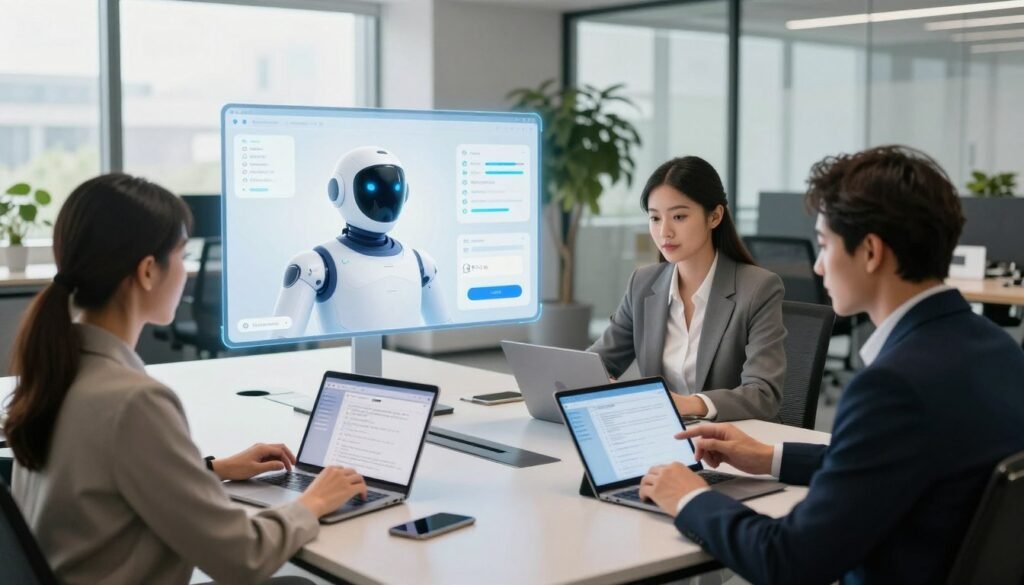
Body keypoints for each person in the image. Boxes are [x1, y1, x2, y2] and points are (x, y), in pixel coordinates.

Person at [639, 146, 1024, 584]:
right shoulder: (1000, 351)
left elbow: (787, 561)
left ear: (871, 252)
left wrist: (689, 499)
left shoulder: (892, 386)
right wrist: (769, 456)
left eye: (824, 244)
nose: (819, 266)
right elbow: (890, 460)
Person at [3, 173, 368, 585]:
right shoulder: (133, 401)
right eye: (181, 255)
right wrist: (315, 500)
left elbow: (105, 480)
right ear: (147, 271)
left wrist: (212, 469)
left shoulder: (55, 370)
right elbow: (243, 557)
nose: (186, 270)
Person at [587, 156, 786, 421]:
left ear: (714, 216)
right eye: (655, 218)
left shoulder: (758, 288)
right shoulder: (643, 284)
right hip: (660, 435)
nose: (664, 232)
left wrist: (689, 404)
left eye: (679, 216)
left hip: (728, 442)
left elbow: (763, 395)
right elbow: (598, 364)